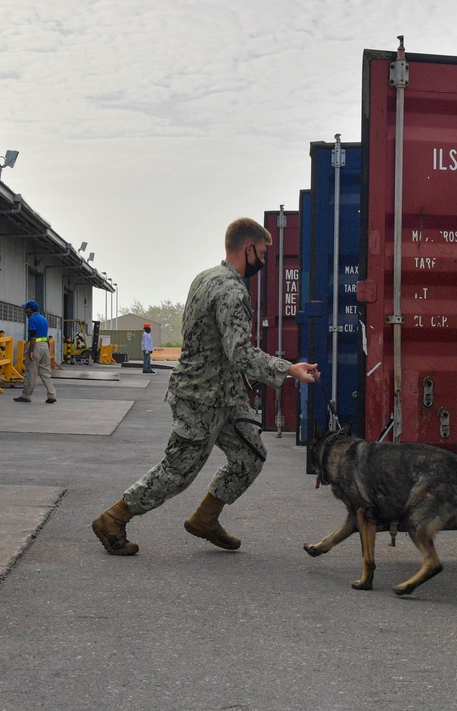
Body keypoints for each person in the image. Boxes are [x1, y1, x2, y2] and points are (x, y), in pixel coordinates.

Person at [92, 217, 319, 555]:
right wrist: (289, 369)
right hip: (200, 396)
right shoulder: (230, 289)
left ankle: (205, 518)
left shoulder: (205, 277)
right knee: (178, 470)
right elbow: (240, 352)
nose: (265, 261)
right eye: (264, 253)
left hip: (223, 395)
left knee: (250, 455)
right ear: (249, 248)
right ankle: (113, 518)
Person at [14, 301, 57, 404]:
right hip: (45, 346)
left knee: (31, 372)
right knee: (46, 372)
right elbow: (45, 335)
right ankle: (52, 395)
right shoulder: (43, 319)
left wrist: (31, 350)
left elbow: (33, 336)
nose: (25, 310)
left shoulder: (32, 319)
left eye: (26, 308)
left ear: (30, 309)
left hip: (36, 346)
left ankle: (26, 396)